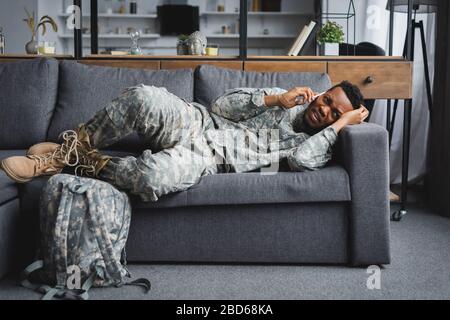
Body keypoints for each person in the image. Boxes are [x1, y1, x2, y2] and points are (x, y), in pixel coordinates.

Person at [0, 80, 369, 202]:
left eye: (336, 113)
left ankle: (81, 162)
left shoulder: (321, 144)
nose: (325, 111)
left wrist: (343, 124)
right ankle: (65, 152)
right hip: (198, 121)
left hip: (212, 156)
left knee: (153, 179)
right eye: (327, 100)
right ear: (320, 94)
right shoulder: (288, 99)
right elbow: (221, 105)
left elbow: (302, 160)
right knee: (145, 97)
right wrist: (274, 99)